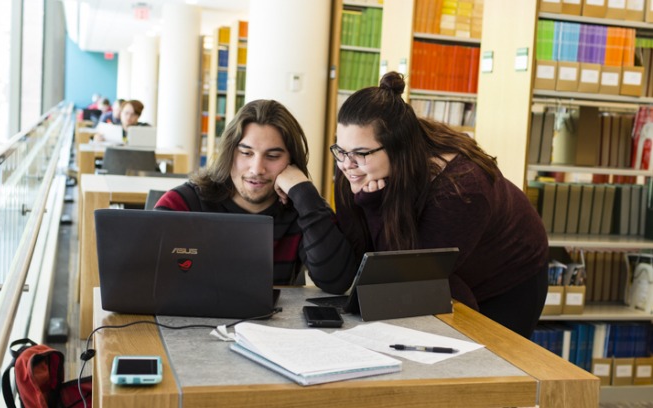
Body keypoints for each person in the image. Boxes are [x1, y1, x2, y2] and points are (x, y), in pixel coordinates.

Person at [332, 71, 549, 338]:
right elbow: (357, 255)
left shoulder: (461, 188)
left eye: (360, 154)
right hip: (446, 268)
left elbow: (407, 276)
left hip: (506, 275)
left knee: (490, 366)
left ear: (398, 147)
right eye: (340, 150)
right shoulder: (357, 164)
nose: (346, 164)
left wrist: (373, 205)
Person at [155, 99, 356, 289]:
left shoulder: (304, 208)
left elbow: (337, 281)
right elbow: (143, 271)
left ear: (291, 161)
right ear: (229, 153)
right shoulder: (184, 203)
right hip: (190, 321)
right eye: (246, 153)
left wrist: (303, 191)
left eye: (273, 156)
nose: (257, 169)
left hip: (268, 324)